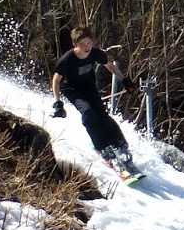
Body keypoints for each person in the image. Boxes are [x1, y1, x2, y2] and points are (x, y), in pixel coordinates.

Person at [50, 26, 137, 175]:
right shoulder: (67, 59)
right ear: (75, 45)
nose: (86, 47)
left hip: (89, 87)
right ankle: (103, 148)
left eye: (89, 43)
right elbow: (56, 80)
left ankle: (120, 144)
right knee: (89, 113)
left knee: (102, 115)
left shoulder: (95, 53)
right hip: (72, 90)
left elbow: (110, 66)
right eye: (82, 44)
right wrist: (58, 103)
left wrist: (125, 80)